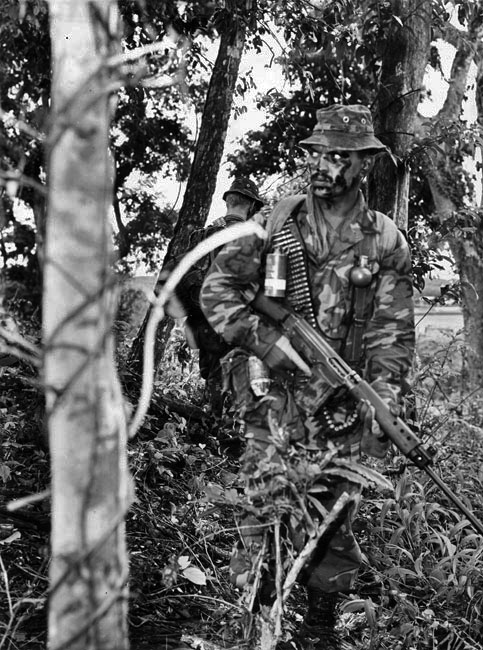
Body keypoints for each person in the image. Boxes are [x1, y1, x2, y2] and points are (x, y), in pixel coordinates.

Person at [200, 105, 415, 649]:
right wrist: (265, 341)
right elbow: (217, 293)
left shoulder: (385, 241)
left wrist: (380, 401)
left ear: (364, 164)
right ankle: (249, 617)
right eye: (317, 153)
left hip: (340, 401)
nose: (324, 165)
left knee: (335, 508)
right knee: (265, 501)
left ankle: (321, 621)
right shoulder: (276, 225)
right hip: (272, 395)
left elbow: (392, 336)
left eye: (339, 156)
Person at [167, 177, 264, 421]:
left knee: (212, 376)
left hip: (202, 322)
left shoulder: (203, 236)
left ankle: (209, 430)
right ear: (251, 206)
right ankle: (221, 434)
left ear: (228, 203)